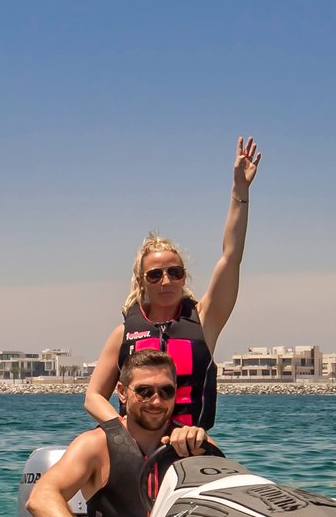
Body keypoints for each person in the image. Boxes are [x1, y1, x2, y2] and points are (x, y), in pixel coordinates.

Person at [84, 136, 262, 430]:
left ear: (184, 277)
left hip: (189, 447)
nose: (166, 280)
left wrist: (239, 191)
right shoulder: (123, 334)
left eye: (174, 272)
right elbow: (93, 397)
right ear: (142, 282)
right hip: (134, 444)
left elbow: (231, 257)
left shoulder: (205, 320)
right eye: (155, 275)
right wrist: (123, 430)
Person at [28, 350, 212, 517]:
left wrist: (199, 454)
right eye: (145, 392)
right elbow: (41, 497)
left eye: (165, 392)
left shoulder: (196, 444)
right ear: (122, 393)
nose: (156, 402)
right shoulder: (96, 445)